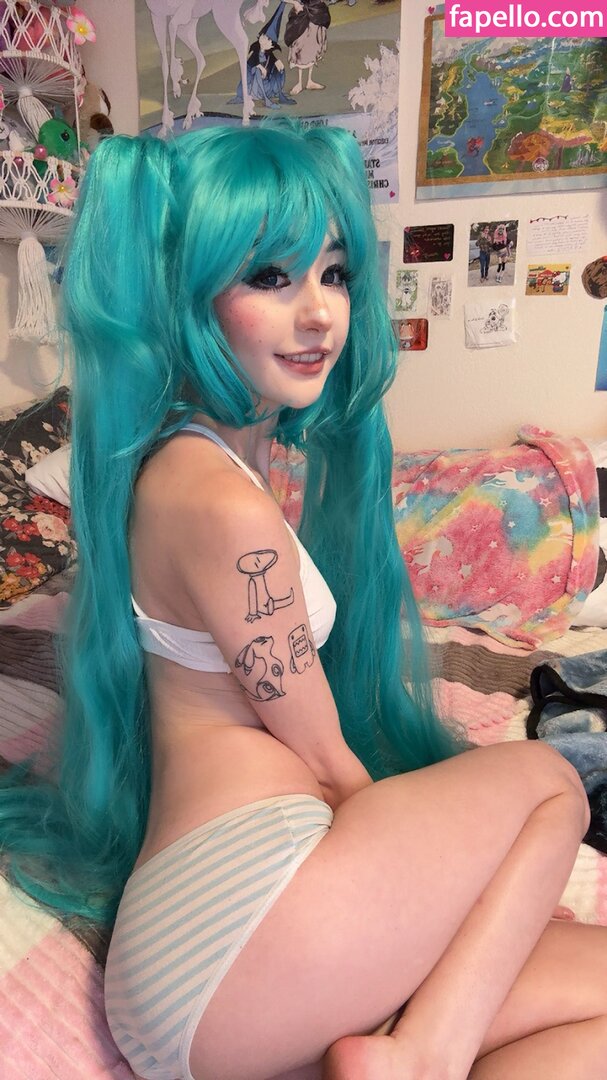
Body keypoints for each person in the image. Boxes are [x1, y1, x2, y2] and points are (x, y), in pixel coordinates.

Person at [0, 120, 606, 1080]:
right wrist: (468, 874)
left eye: (333, 273)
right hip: (241, 921)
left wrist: (476, 902)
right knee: (548, 782)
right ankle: (423, 1055)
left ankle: (415, 1051)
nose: (319, 312)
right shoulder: (219, 503)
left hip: (224, 945)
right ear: (186, 297)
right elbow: (326, 758)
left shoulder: (186, 467)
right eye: (270, 277)